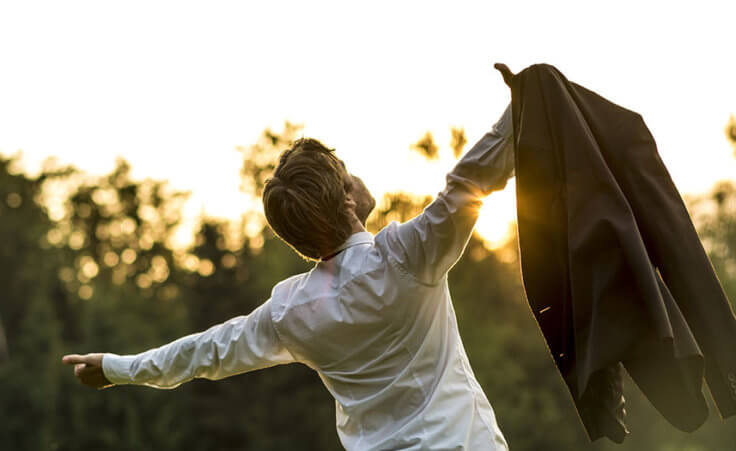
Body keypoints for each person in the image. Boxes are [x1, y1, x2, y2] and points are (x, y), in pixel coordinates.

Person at [63, 92, 516, 450]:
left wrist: (116, 368)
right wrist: (524, 109)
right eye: (346, 173)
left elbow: (205, 353)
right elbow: (467, 185)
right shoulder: (405, 256)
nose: (356, 177)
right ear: (349, 200)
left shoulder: (291, 311)